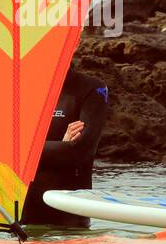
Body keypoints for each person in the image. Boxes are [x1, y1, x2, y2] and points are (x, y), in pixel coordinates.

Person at [21, 66, 110, 227]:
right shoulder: (24, 87)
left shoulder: (91, 88)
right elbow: (3, 152)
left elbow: (79, 152)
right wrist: (61, 146)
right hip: (20, 219)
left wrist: (30, 147)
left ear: (75, 43)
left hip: (68, 225)